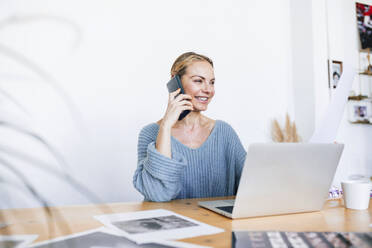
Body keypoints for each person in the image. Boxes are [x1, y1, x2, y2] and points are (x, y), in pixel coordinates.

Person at [133, 52, 247, 202]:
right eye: (198, 81)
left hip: (218, 223)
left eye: (212, 82)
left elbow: (253, 185)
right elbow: (158, 194)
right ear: (175, 81)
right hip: (174, 224)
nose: (208, 90)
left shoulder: (224, 132)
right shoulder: (150, 133)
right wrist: (166, 126)